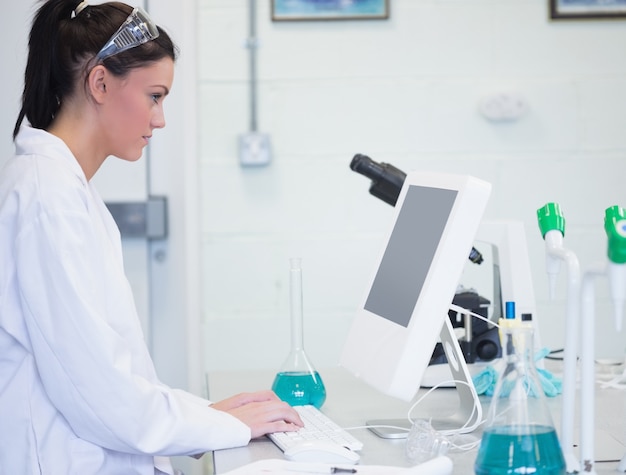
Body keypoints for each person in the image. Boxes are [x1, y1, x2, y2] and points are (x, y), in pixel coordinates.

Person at [0, 1, 303, 473]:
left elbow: (114, 373)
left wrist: (205, 414)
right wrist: (225, 426)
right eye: (155, 96)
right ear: (100, 83)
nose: (159, 120)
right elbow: (97, 393)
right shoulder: (48, 198)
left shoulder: (66, 189)